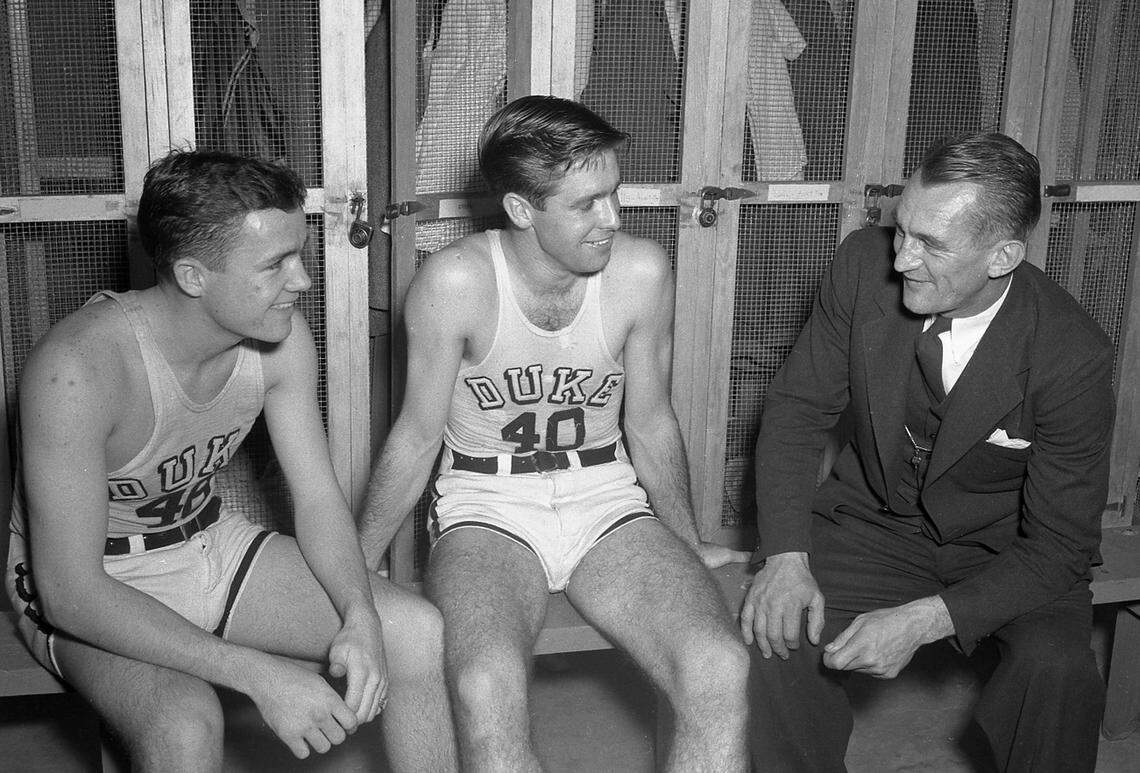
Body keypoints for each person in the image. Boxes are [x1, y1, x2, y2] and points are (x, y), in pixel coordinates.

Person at [5, 149, 457, 771]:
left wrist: (360, 614)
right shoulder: (76, 371)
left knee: (413, 631)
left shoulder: (282, 339)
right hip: (96, 581)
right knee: (186, 724)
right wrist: (261, 676)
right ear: (193, 275)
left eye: (299, 255)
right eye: (275, 264)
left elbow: (319, 499)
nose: (301, 281)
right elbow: (70, 592)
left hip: (205, 542)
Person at [359, 94, 751, 771]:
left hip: (606, 498)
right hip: (487, 509)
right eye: (586, 204)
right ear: (520, 209)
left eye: (613, 194)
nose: (613, 217)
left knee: (718, 666)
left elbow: (650, 420)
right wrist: (354, 566)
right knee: (486, 687)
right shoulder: (455, 281)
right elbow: (415, 438)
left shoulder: (641, 271)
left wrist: (686, 540)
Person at [741, 132, 1113, 772]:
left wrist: (922, 621)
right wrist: (785, 553)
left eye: (931, 244)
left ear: (1003, 256)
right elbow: (799, 409)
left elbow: (1059, 547)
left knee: (1057, 671)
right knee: (775, 629)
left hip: (1010, 548)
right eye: (901, 229)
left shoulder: (1071, 355)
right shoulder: (863, 265)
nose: (903, 257)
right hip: (874, 524)